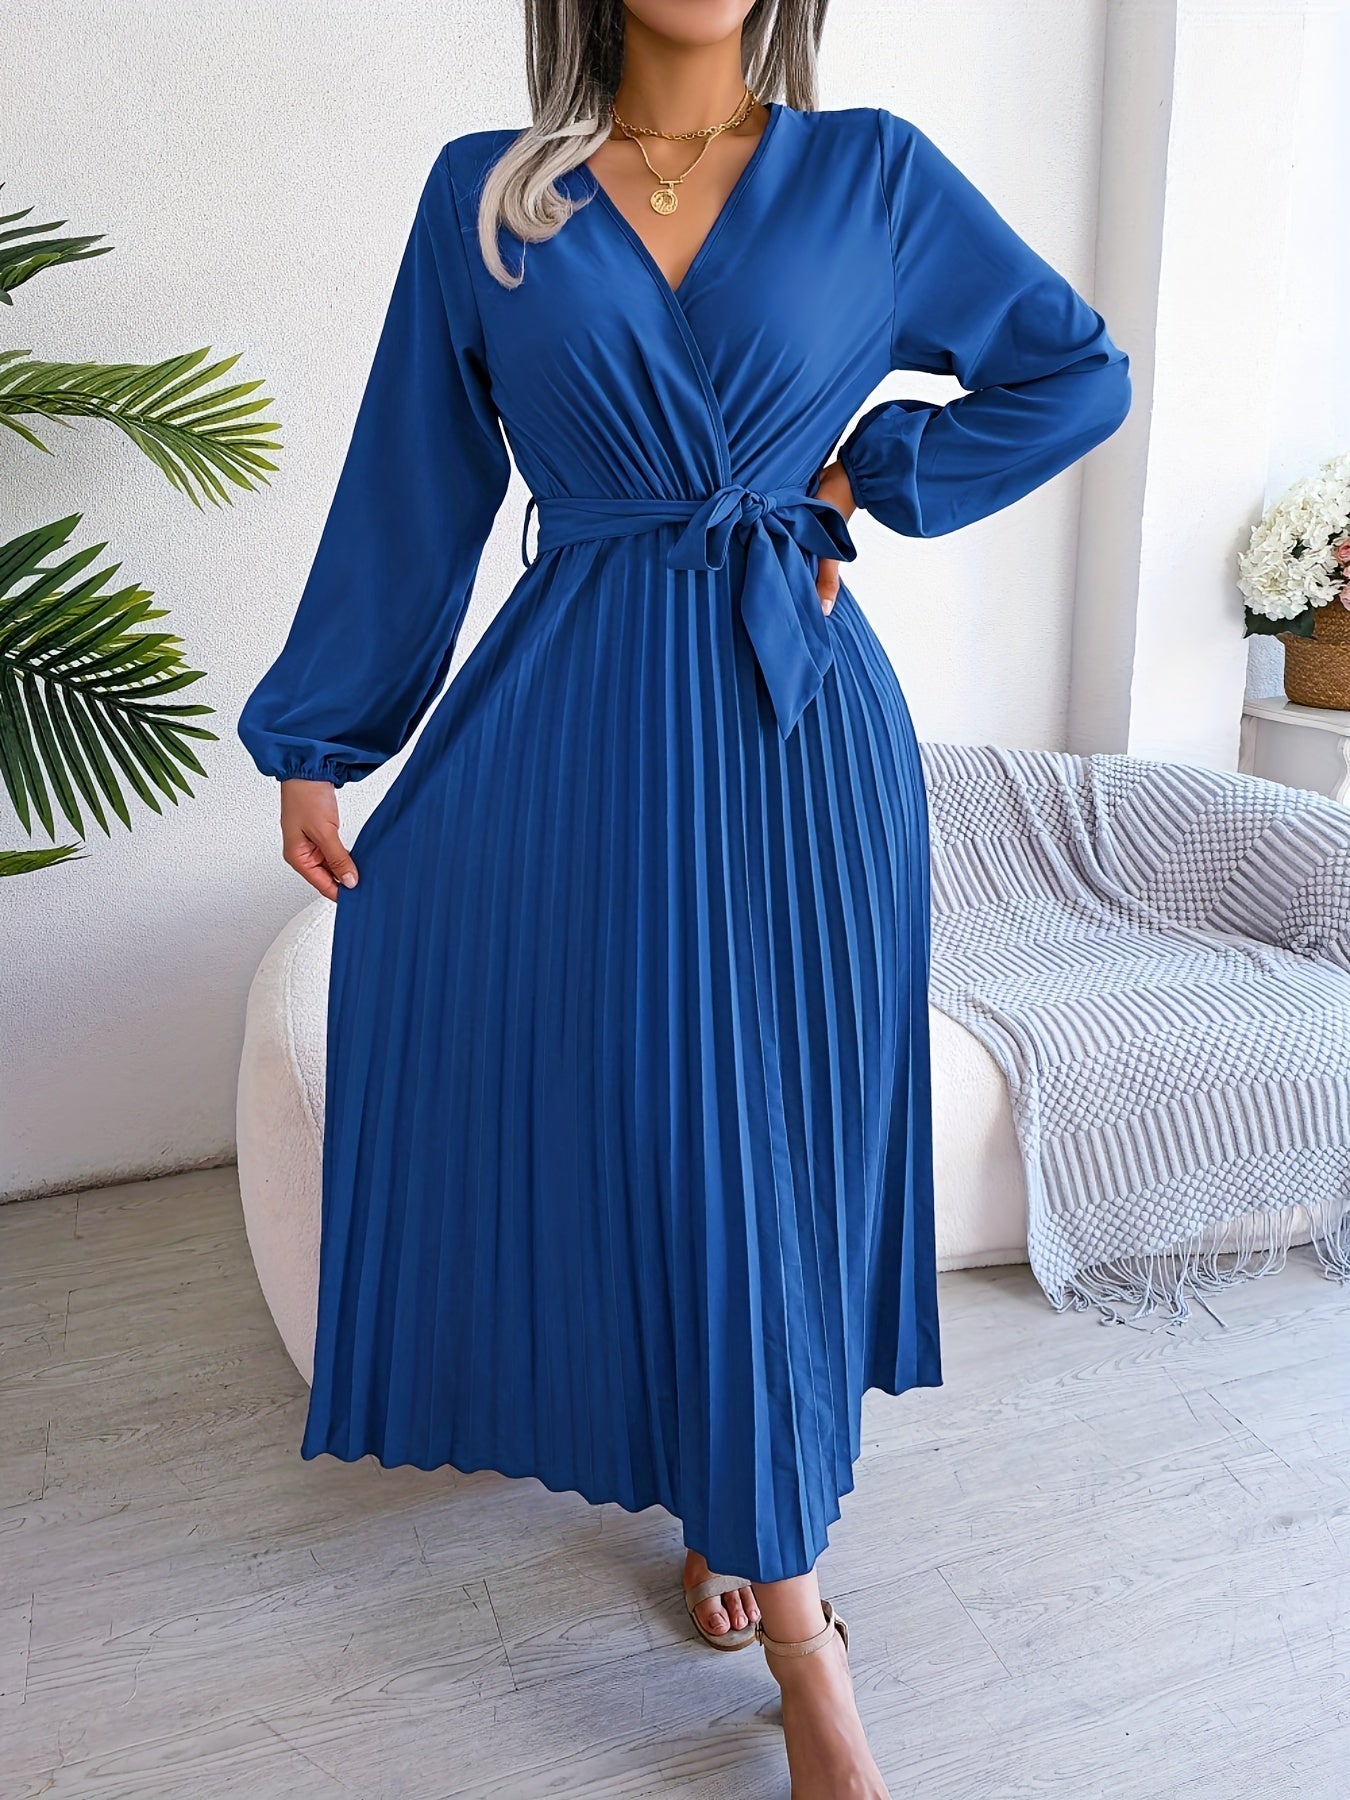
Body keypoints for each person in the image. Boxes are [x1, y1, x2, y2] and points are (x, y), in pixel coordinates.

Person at [237, 3, 1131, 1792]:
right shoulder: (488, 199)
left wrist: (872, 473)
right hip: (575, 728)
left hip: (800, 734)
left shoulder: (871, 173)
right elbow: (415, 476)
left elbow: (1074, 373)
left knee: (773, 1147)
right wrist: (321, 734)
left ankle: (770, 1563)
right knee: (658, 1130)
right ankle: (781, 1589)